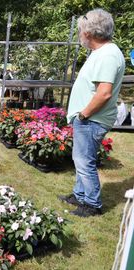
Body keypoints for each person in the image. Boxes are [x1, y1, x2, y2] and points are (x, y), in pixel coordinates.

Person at [59, 9, 125, 217]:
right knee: (80, 159)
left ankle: (92, 204)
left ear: (89, 32)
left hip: (91, 119)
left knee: (84, 161)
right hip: (89, 118)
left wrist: (83, 114)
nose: (80, 34)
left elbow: (104, 93)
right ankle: (80, 194)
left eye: (80, 30)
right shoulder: (103, 52)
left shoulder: (107, 55)